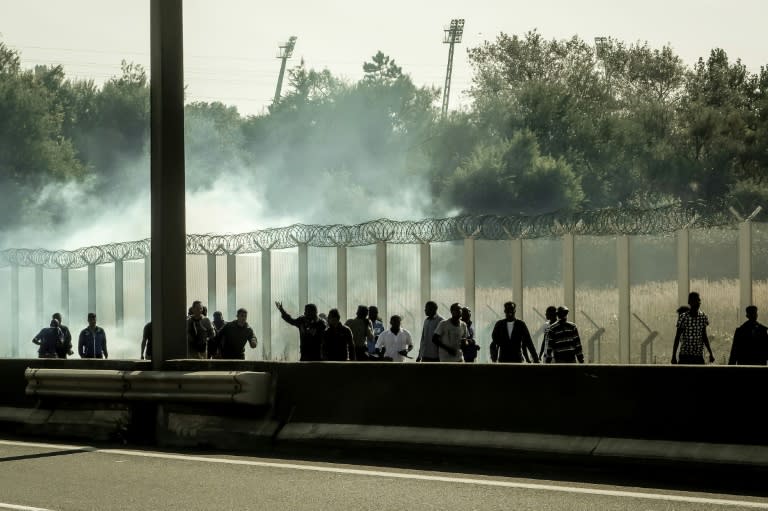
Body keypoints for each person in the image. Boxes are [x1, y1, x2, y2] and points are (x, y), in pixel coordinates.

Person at [671, 292, 714, 365]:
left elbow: (704, 336)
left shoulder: (703, 317)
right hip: (685, 355)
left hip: (698, 355)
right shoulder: (683, 317)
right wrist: (673, 356)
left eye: (698, 300)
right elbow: (677, 337)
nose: (697, 303)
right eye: (695, 301)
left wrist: (711, 353)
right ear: (689, 302)